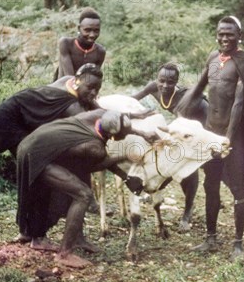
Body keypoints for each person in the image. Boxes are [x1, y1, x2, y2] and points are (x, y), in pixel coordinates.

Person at [16, 109, 157, 268]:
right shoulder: (94, 148)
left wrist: (141, 132)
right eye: (125, 134)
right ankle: (64, 254)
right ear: (114, 136)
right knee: (83, 195)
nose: (127, 135)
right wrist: (125, 156)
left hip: (31, 143)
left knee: (69, 192)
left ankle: (70, 238)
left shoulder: (95, 116)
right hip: (36, 156)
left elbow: (109, 149)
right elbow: (95, 164)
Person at [178, 15, 244, 261]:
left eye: (230, 34)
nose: (225, 38)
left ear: (239, 36)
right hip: (209, 133)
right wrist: (179, 115)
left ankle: (237, 244)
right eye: (221, 34)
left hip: (232, 137)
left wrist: (227, 140)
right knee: (210, 184)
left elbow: (239, 103)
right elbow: (198, 88)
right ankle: (210, 238)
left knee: (237, 188)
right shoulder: (214, 59)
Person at [132, 62, 208, 229]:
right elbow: (132, 99)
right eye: (162, 80)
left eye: (171, 82)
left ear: (176, 82)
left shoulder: (184, 97)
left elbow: (182, 124)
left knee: (190, 168)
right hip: (184, 125)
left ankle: (188, 211)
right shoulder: (153, 87)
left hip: (203, 123)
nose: (165, 86)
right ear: (157, 79)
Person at [0, 63, 103, 158]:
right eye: (90, 87)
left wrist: (104, 111)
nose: (94, 93)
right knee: (34, 162)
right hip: (5, 120)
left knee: (32, 160)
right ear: (77, 81)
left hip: (10, 113)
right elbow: (90, 127)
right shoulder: (72, 107)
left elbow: (89, 98)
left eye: (97, 89)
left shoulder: (68, 80)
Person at [56, 7, 106, 80]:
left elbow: (94, 78)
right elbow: (69, 78)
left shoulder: (100, 51)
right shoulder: (66, 44)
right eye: (87, 30)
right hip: (63, 88)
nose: (92, 35)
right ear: (79, 28)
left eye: (96, 31)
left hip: (85, 90)